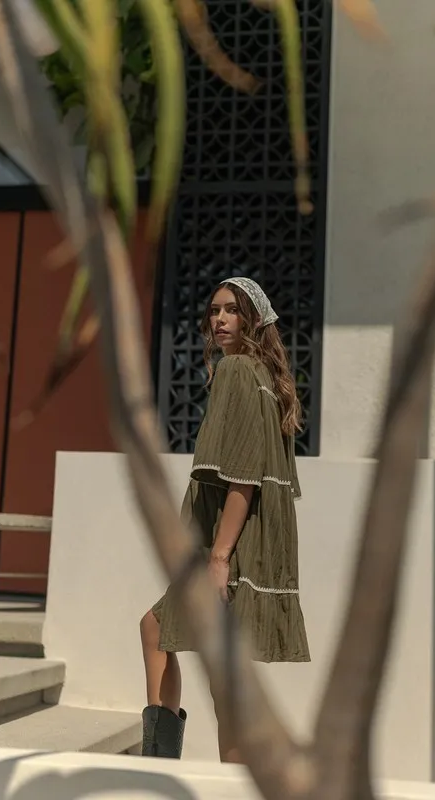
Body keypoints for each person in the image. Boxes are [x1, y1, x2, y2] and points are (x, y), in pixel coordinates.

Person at [140, 276, 310, 763]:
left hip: (229, 547)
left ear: (253, 319)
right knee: (172, 638)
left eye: (232, 310)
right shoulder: (263, 376)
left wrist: (219, 557)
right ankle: (172, 764)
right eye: (214, 310)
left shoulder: (237, 370)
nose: (219, 319)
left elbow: (244, 476)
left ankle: (169, 765)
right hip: (245, 543)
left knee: (201, 661)